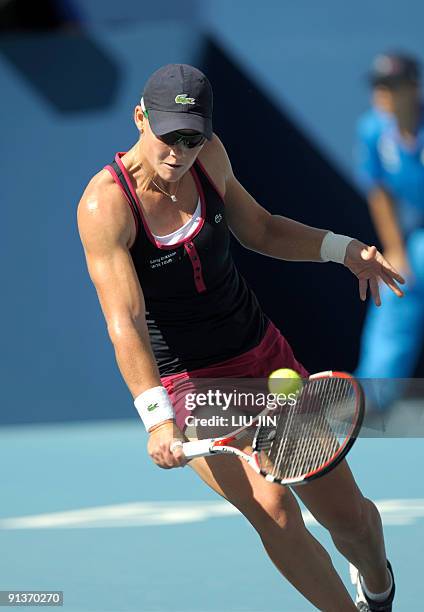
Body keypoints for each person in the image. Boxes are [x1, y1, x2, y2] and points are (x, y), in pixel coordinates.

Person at [77, 64, 403, 611]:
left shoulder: (210, 156)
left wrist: (342, 248)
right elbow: (124, 321)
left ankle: (377, 582)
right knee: (273, 509)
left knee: (350, 520)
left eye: (193, 136)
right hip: (189, 382)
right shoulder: (104, 206)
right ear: (139, 119)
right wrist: (157, 417)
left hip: (261, 354)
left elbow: (264, 230)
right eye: (168, 135)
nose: (180, 151)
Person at [355, 52, 424, 411]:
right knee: (395, 278)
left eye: (392, 86)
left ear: (414, 88)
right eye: (379, 85)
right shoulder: (373, 130)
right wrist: (394, 249)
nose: (383, 93)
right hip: (417, 240)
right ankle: (371, 400)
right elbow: (378, 191)